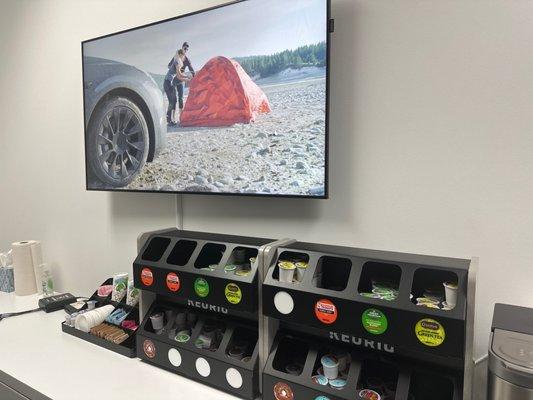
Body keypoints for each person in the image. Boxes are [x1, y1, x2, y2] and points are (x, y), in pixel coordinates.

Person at [169, 42, 195, 121]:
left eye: (187, 49)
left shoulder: (187, 60)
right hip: (174, 80)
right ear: (182, 48)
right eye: (185, 48)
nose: (186, 50)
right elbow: (169, 65)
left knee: (180, 98)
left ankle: (181, 117)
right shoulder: (176, 57)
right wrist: (175, 69)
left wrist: (194, 77)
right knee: (174, 98)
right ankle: (172, 118)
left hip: (181, 80)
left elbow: (191, 70)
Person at [164, 49, 190, 126]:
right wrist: (187, 78)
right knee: (172, 101)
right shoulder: (177, 62)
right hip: (168, 83)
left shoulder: (177, 61)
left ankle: (170, 119)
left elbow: (179, 75)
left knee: (173, 101)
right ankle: (169, 120)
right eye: (183, 55)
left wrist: (186, 78)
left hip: (168, 82)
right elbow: (179, 76)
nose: (184, 57)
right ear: (181, 55)